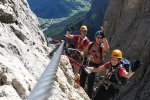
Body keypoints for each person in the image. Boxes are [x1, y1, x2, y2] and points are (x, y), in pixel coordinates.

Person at [80, 30, 109, 98]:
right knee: (82, 80)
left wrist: (104, 37)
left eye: (100, 38)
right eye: (98, 37)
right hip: (87, 63)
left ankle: (88, 97)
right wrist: (82, 55)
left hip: (94, 67)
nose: (99, 39)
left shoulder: (102, 48)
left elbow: (107, 49)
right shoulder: (90, 44)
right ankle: (80, 93)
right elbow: (85, 53)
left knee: (90, 85)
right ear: (95, 37)